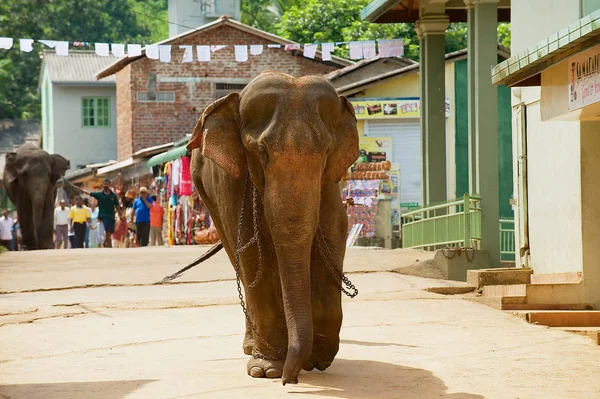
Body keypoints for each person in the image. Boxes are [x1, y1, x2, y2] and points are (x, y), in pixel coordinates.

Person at [71, 179, 121, 248]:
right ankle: (107, 245)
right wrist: (80, 189)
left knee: (109, 233)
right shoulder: (99, 194)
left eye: (107, 183)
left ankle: (106, 243)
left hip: (111, 217)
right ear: (103, 184)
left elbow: (117, 205)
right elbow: (89, 193)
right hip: (102, 217)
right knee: (104, 233)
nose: (106, 185)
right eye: (105, 183)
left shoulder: (113, 196)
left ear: (110, 185)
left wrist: (120, 214)